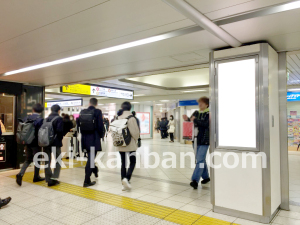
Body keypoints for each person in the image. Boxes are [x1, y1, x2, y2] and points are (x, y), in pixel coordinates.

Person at [183, 97, 210, 189]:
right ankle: (206, 177)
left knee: (199, 160)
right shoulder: (196, 113)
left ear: (207, 104)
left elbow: (206, 124)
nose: (200, 105)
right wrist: (187, 119)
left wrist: (195, 120)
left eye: (201, 103)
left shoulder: (209, 113)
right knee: (201, 160)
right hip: (195, 140)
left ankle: (195, 180)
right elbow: (190, 123)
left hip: (205, 140)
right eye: (199, 103)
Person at [77, 98, 104, 187]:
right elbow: (100, 126)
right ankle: (86, 180)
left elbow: (79, 124)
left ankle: (95, 170)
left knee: (90, 157)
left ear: (89, 103)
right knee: (91, 159)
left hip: (85, 138)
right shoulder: (97, 112)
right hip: (94, 138)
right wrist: (101, 136)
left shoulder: (83, 111)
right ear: (96, 104)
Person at [16, 103, 45, 186]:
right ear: (42, 111)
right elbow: (41, 133)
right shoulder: (40, 120)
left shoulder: (26, 118)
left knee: (28, 159)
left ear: (33, 110)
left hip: (27, 142)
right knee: (37, 159)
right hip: (36, 143)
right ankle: (36, 176)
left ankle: (20, 174)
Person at [115, 102, 140, 191]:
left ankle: (123, 183)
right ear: (130, 108)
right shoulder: (131, 118)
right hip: (130, 144)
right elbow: (135, 133)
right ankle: (127, 179)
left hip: (120, 143)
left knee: (123, 163)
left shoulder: (118, 117)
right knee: (132, 162)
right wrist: (136, 139)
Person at [44, 104, 64, 187]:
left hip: (46, 142)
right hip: (55, 143)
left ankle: (48, 179)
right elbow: (60, 131)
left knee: (47, 161)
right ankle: (54, 178)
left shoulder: (46, 119)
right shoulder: (59, 119)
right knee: (58, 159)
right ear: (59, 111)